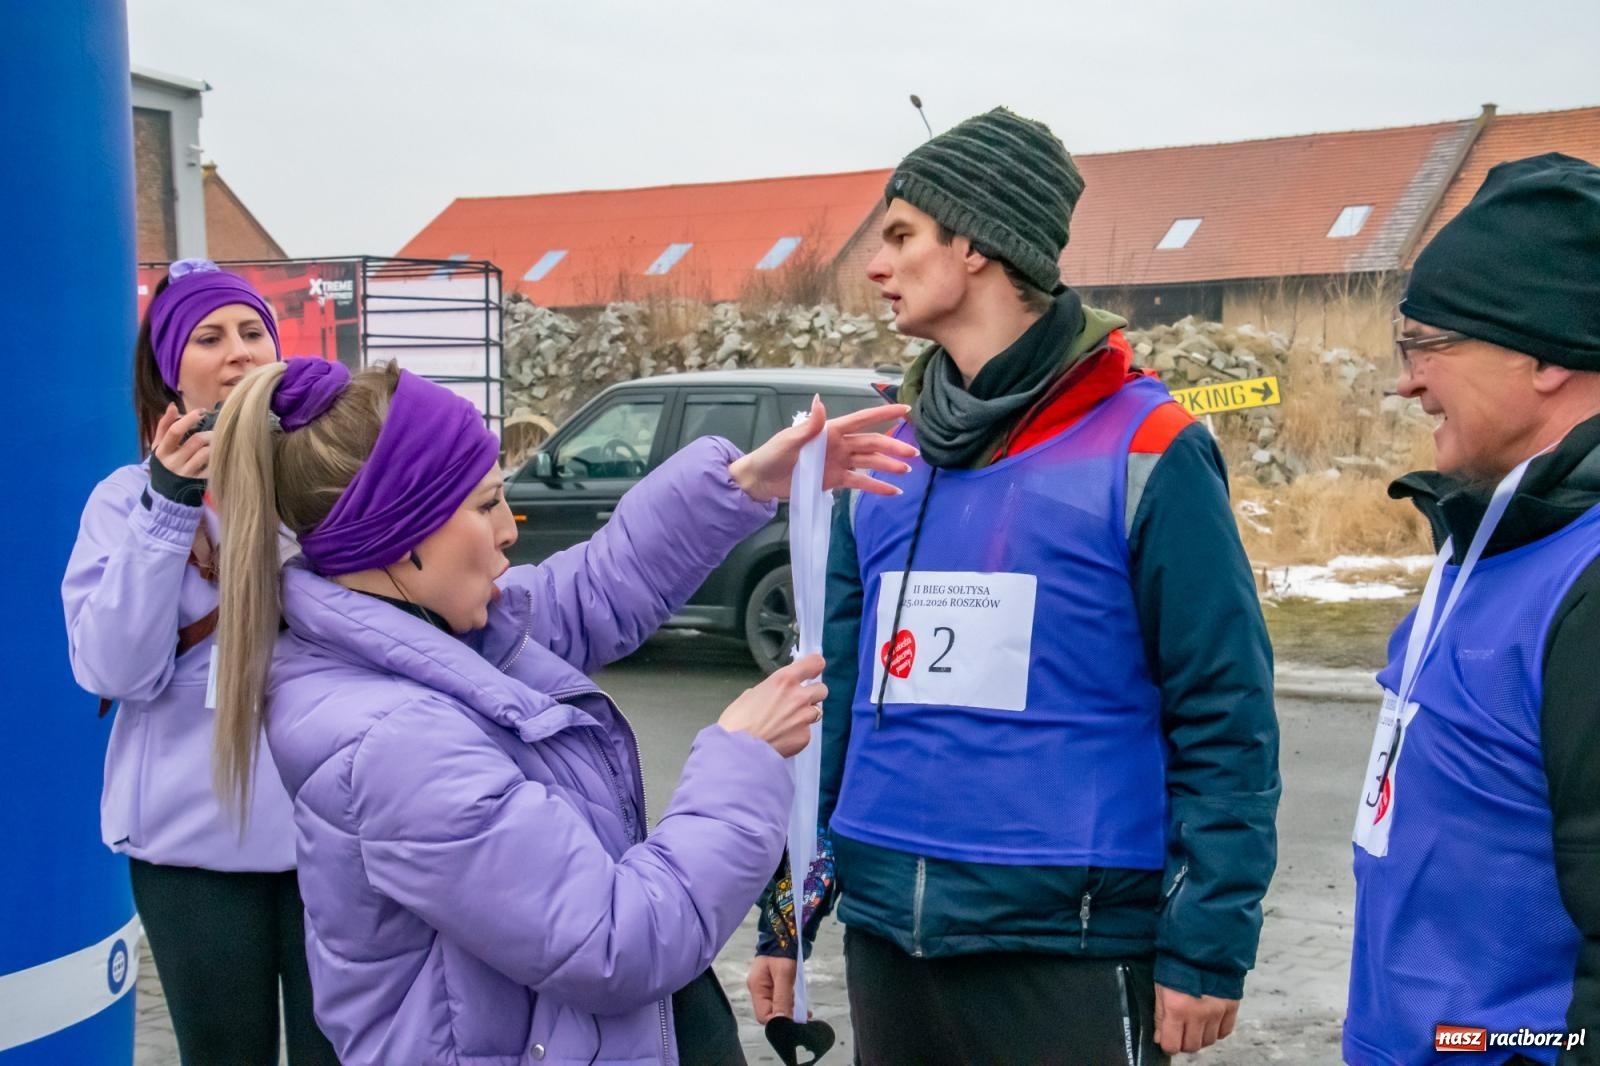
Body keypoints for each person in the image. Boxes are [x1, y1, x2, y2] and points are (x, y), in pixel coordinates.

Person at [746, 107, 1281, 1063]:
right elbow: (826, 709)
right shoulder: (884, 456)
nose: (876, 264)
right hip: (889, 939)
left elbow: (1224, 711)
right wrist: (788, 908)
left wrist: (1207, 945)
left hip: (1067, 945)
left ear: (981, 246)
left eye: (902, 235)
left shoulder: (1150, 447)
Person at [207, 356, 916, 1066]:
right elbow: (616, 940)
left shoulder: (432, 634)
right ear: (401, 535)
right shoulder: (396, 743)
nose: (508, 530)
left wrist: (742, 486)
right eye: (485, 505)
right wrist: (741, 757)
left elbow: (593, 588)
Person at [1345, 154, 1600, 1066]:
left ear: (1541, 356)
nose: (1407, 381)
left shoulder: (1588, 578)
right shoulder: (1486, 534)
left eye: (1429, 344)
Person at [61, 259, 338, 1064]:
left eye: (254, 332)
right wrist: (169, 509)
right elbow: (111, 671)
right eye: (210, 337)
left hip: (331, 836)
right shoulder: (123, 502)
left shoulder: (322, 486)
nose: (239, 351)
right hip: (194, 854)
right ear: (169, 372)